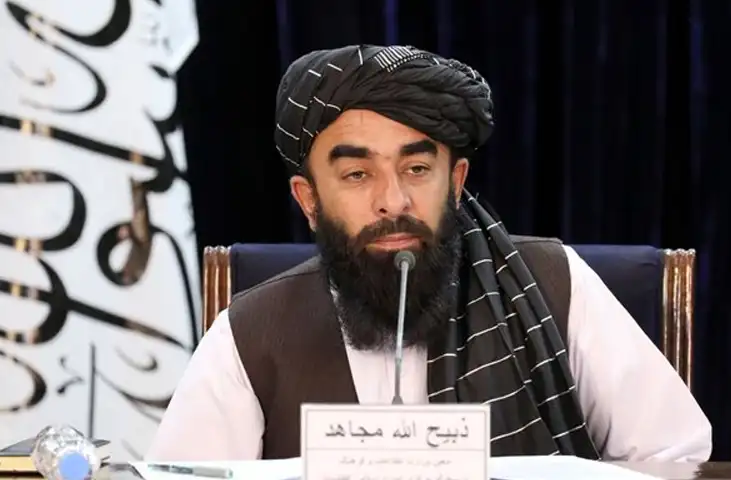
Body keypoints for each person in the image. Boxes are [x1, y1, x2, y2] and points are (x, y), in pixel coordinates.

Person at [147, 45, 711, 462]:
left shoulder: (554, 283)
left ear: (456, 182)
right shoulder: (251, 332)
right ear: (310, 200)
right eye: (357, 174)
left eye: (417, 168)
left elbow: (670, 456)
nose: (394, 201)